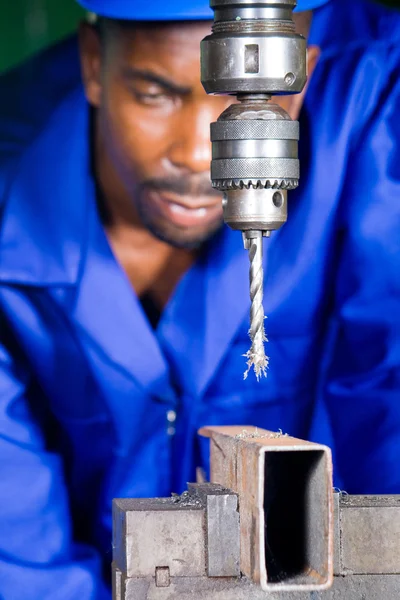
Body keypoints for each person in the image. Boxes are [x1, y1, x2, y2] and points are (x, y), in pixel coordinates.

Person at [0, 0, 399, 597]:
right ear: (92, 62)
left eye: (244, 100)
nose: (196, 152)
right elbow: (20, 555)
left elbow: (388, 391)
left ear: (300, 78)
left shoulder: (373, 98)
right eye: (155, 94)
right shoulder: (12, 190)